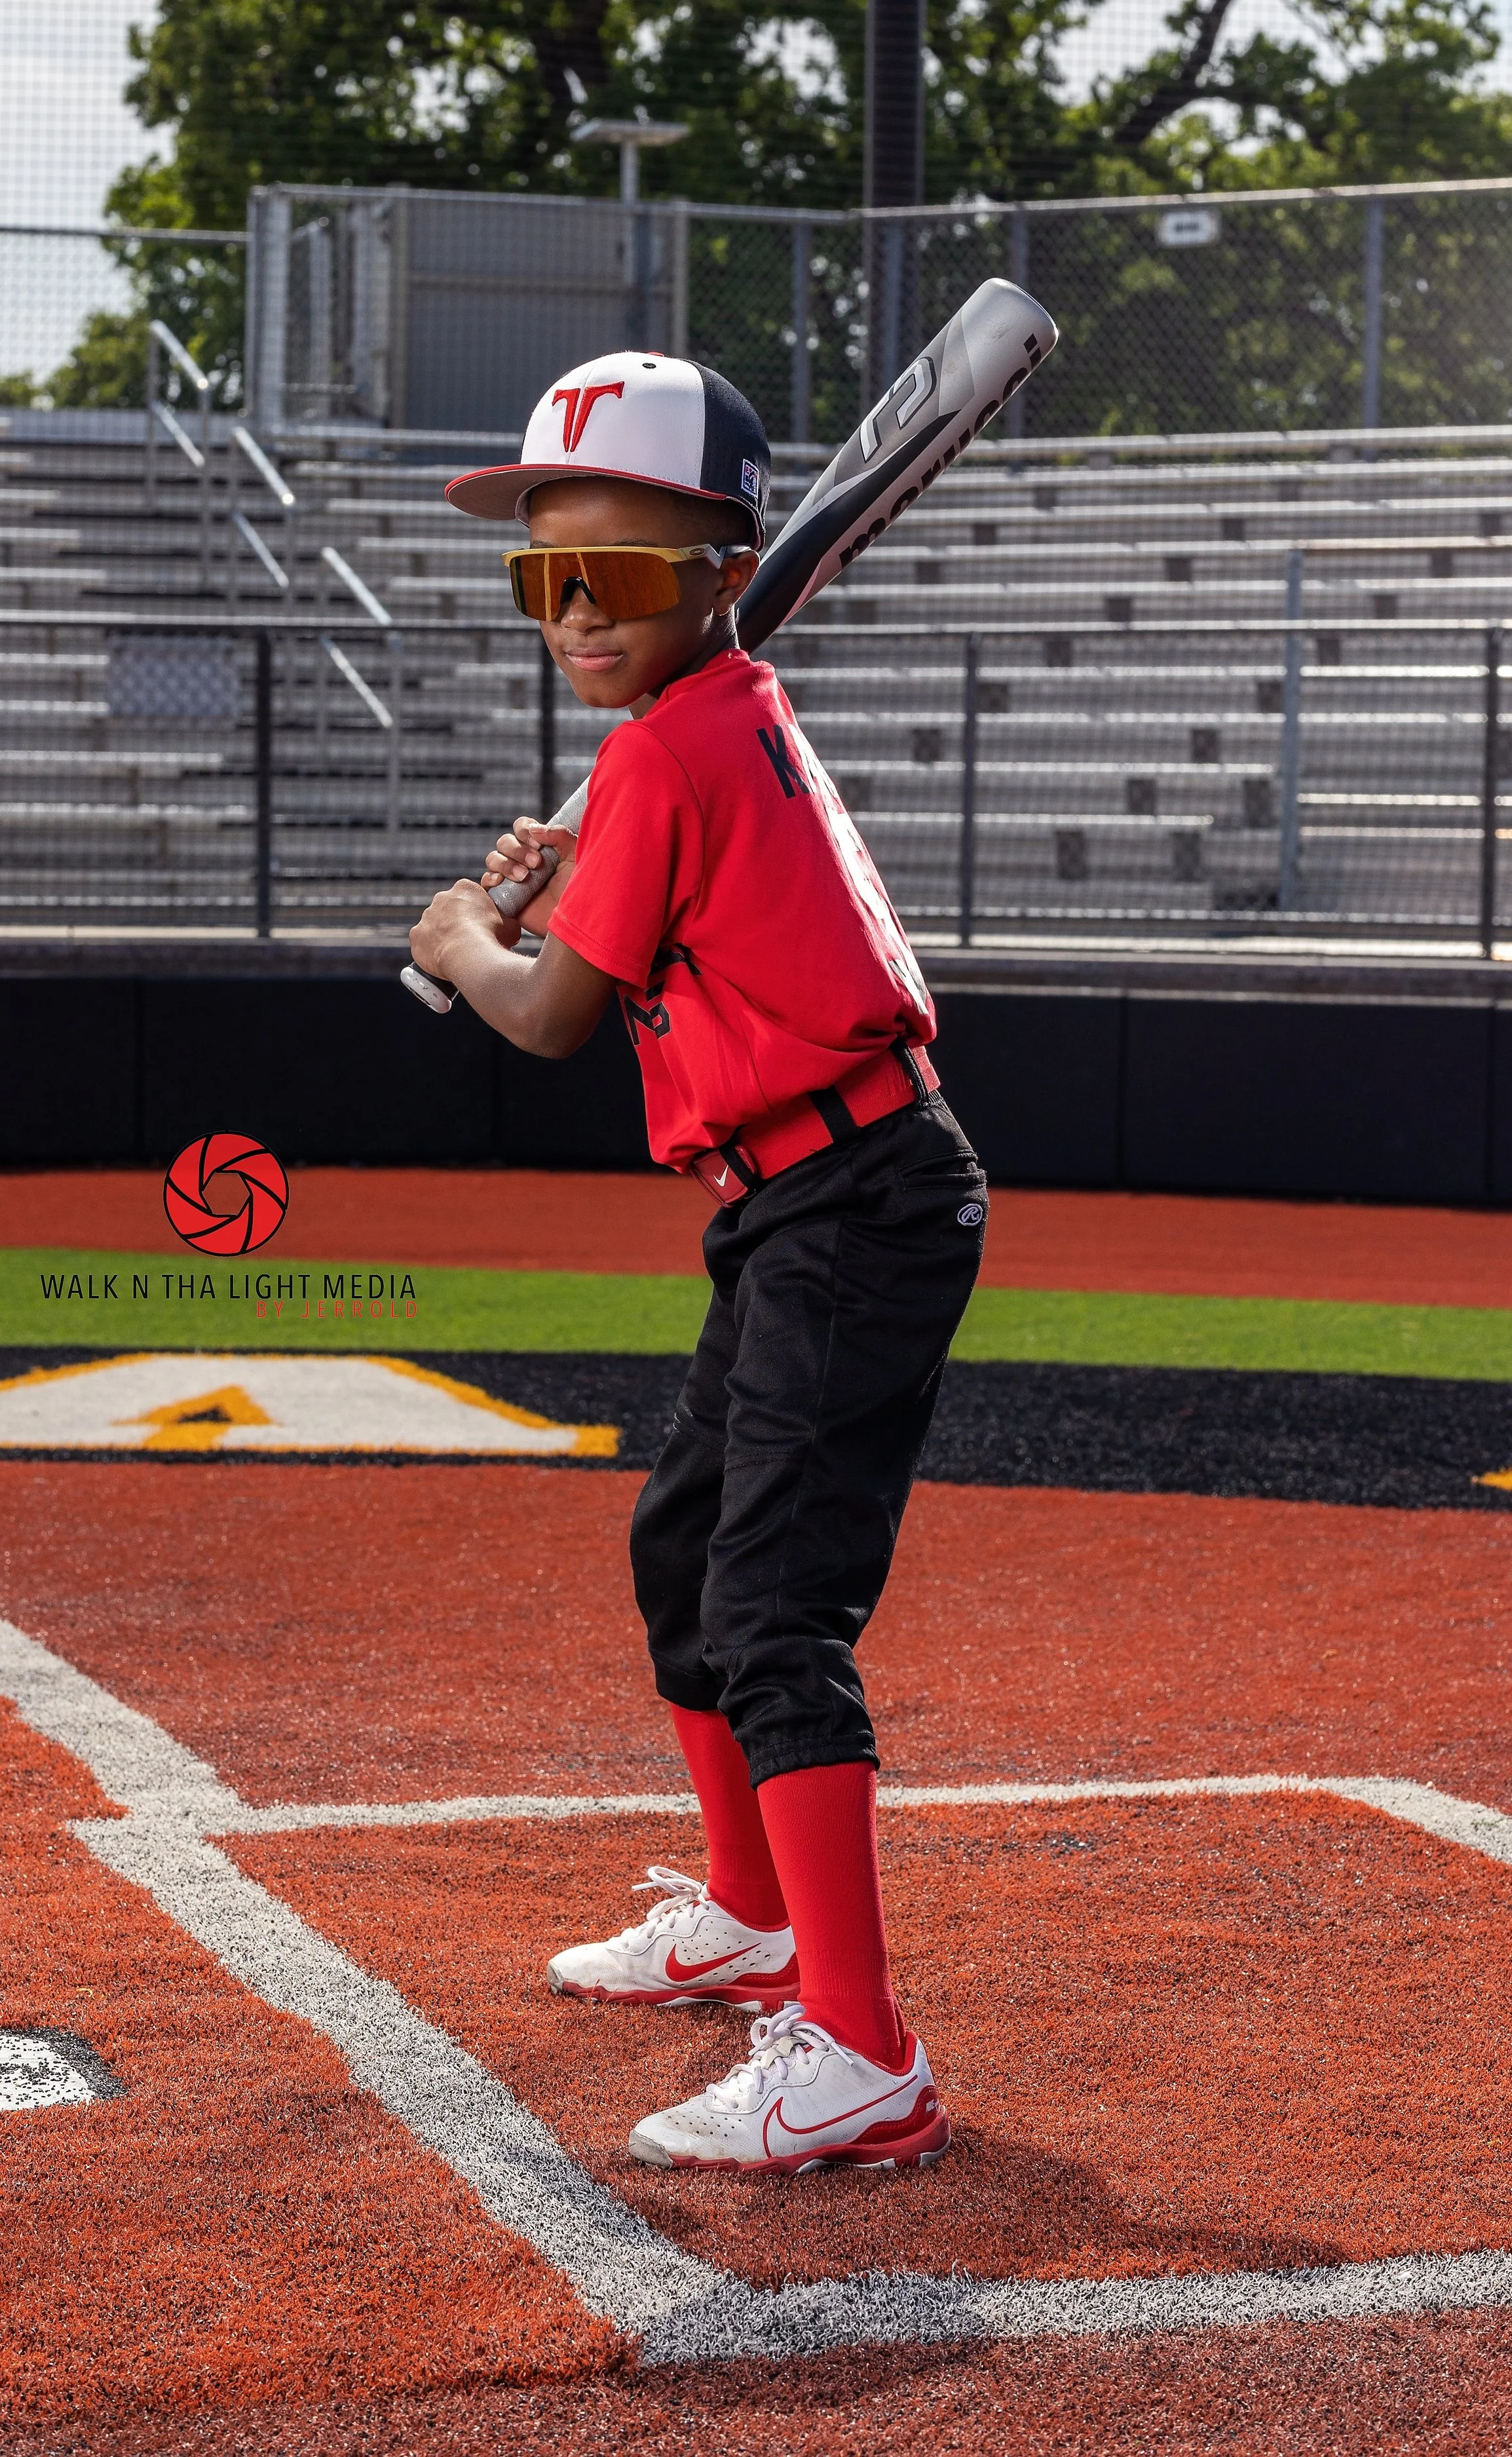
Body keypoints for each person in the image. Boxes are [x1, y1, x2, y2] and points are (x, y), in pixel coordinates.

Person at [409, 349, 987, 2175]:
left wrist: (459, 929)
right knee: (685, 1545)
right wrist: (578, 850)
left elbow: (553, 1015)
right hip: (794, 1199)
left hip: (855, 1196)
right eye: (546, 574)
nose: (579, 607)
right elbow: (650, 860)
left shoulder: (669, 750)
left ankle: (859, 2047)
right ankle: (745, 1917)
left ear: (725, 570)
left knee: (769, 1612)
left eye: (629, 574)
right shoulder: (696, 721)